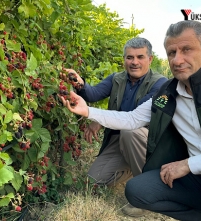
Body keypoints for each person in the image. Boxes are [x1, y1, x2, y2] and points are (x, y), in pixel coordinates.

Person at [60, 20, 201, 221]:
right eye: (171, 53)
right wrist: (87, 110)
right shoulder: (166, 93)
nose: (177, 60)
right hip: (197, 177)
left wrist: (187, 165)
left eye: (187, 50)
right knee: (137, 189)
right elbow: (132, 119)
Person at [61, 37, 167, 217]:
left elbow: (135, 118)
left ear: (150, 59)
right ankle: (132, 169)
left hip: (145, 141)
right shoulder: (117, 79)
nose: (134, 62)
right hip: (119, 139)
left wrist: (98, 119)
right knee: (92, 181)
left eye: (140, 57)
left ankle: (148, 195)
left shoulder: (159, 84)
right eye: (129, 57)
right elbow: (93, 94)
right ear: (124, 59)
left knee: (130, 133)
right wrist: (80, 83)